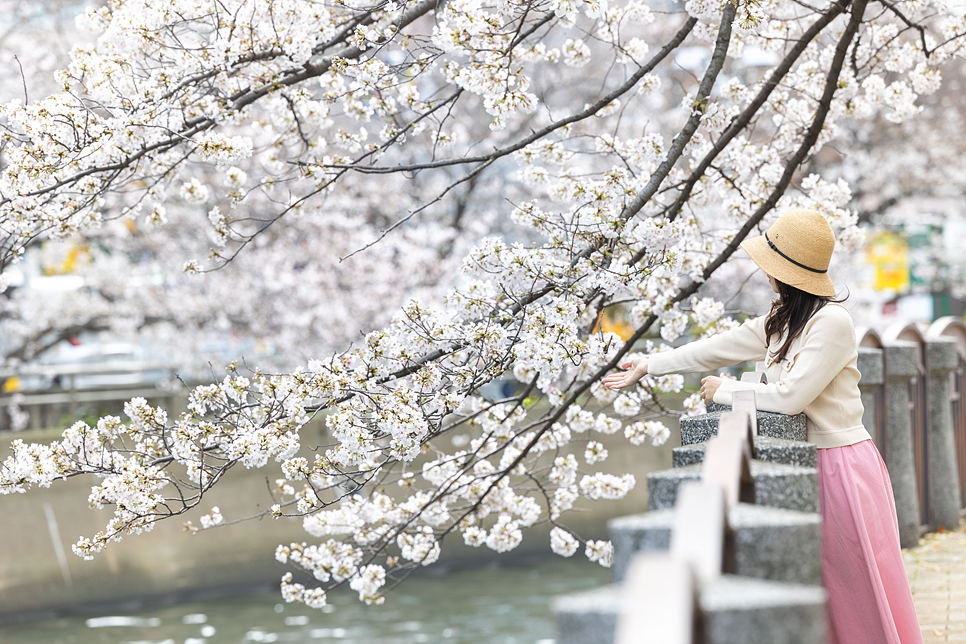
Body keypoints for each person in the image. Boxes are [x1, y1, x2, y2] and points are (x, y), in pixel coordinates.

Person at [602, 208, 923, 644]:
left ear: (785, 272)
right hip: (814, 465)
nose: (764, 274)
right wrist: (649, 364)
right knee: (827, 588)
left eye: (770, 267)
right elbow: (716, 347)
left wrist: (724, 391)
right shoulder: (784, 321)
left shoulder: (831, 323)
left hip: (843, 467)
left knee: (859, 585)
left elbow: (792, 396)